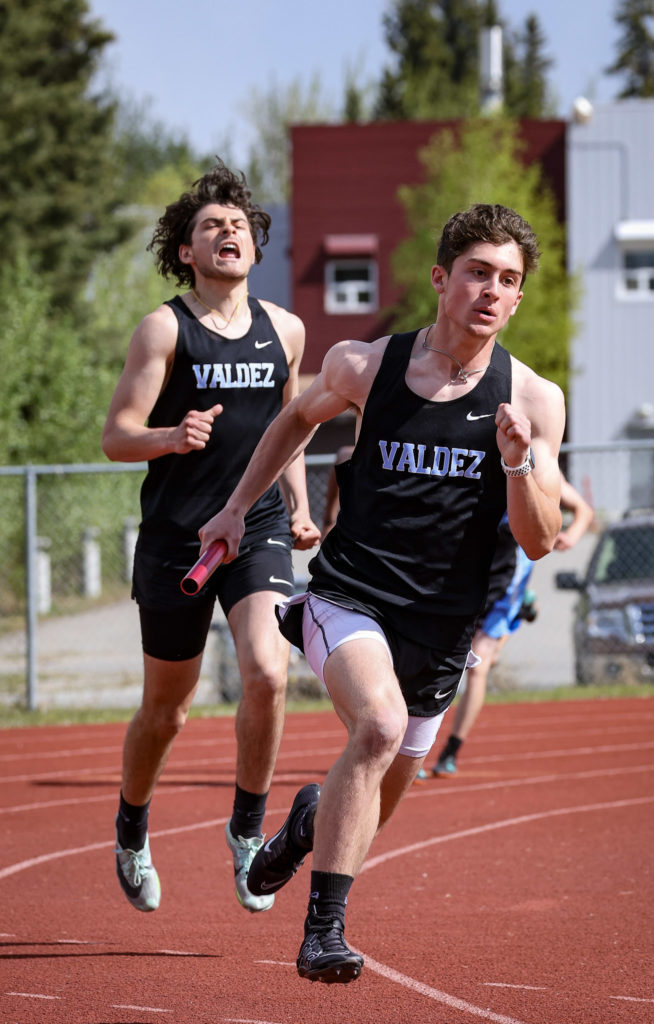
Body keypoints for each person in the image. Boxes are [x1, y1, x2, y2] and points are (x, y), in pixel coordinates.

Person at [199, 203, 566, 983]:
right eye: (476, 273)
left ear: (518, 297)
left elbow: (537, 539)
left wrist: (516, 463)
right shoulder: (364, 366)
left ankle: (304, 826)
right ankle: (322, 935)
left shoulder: (533, 400)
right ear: (441, 279)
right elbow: (295, 419)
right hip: (351, 597)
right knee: (376, 727)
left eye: (507, 280)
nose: (490, 291)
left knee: (375, 796)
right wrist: (236, 508)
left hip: (443, 627)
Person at [101, 162, 320, 917]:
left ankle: (247, 831)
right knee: (168, 710)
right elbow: (114, 437)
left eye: (238, 225)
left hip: (255, 525)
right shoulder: (164, 327)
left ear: (255, 245)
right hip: (176, 538)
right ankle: (131, 829)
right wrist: (170, 434)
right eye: (210, 227)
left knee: (267, 670)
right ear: (186, 252)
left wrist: (296, 505)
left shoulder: (285, 329)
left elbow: (287, 432)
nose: (228, 233)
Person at [427, 474, 594, 778]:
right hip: (462, 579)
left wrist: (571, 534)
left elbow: (583, 510)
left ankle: (450, 750)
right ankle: (415, 750)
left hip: (506, 587)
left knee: (478, 666)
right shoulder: (475, 454)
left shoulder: (539, 466)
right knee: (436, 662)